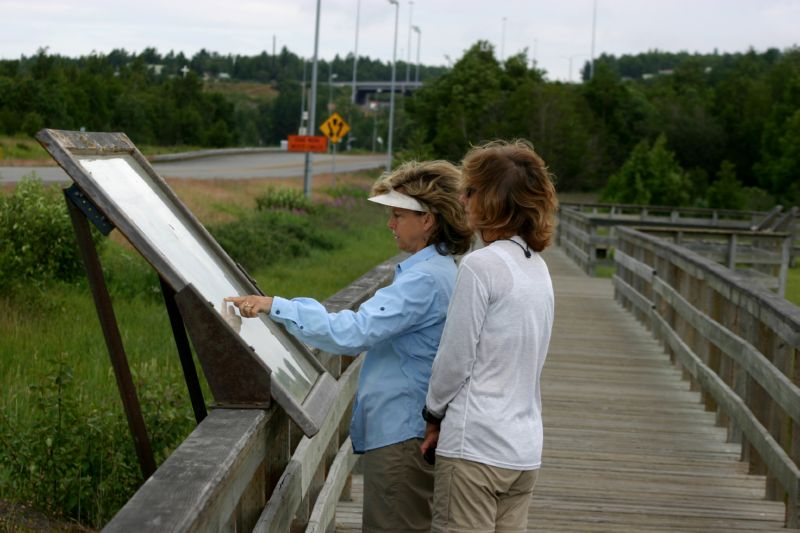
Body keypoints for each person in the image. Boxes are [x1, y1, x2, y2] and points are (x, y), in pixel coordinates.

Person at [225, 161, 472, 533]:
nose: (390, 224)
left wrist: (275, 305)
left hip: (402, 437)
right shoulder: (438, 271)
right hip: (409, 429)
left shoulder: (424, 280)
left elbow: (353, 331)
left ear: (428, 220)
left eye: (398, 215)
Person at [420, 140, 559, 533]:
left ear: (492, 200)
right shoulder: (539, 270)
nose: (462, 199)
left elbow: (455, 359)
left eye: (471, 191)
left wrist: (432, 415)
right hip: (523, 451)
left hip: (475, 450)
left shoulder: (481, 266)